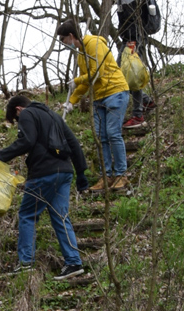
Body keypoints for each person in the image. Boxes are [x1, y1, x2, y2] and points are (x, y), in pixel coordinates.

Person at [0, 95, 89, 280]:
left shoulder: (27, 114)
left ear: (18, 109)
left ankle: (26, 262)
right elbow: (73, 143)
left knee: (27, 215)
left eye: (16, 120)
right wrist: (81, 173)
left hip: (44, 173)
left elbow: (27, 141)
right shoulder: (54, 116)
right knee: (60, 216)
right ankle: (73, 262)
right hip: (65, 172)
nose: (19, 123)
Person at [56, 19, 130, 192]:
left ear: (72, 36)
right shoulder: (81, 52)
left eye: (64, 40)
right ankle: (106, 177)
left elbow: (97, 72)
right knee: (100, 138)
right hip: (98, 97)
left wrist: (76, 80)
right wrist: (71, 102)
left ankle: (121, 175)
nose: (65, 44)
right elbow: (86, 82)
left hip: (115, 92)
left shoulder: (94, 44)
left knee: (112, 134)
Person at [95, 0, 154, 128]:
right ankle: (146, 101)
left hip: (133, 39)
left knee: (130, 74)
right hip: (133, 38)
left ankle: (138, 116)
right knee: (125, 73)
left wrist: (131, 41)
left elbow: (131, 19)